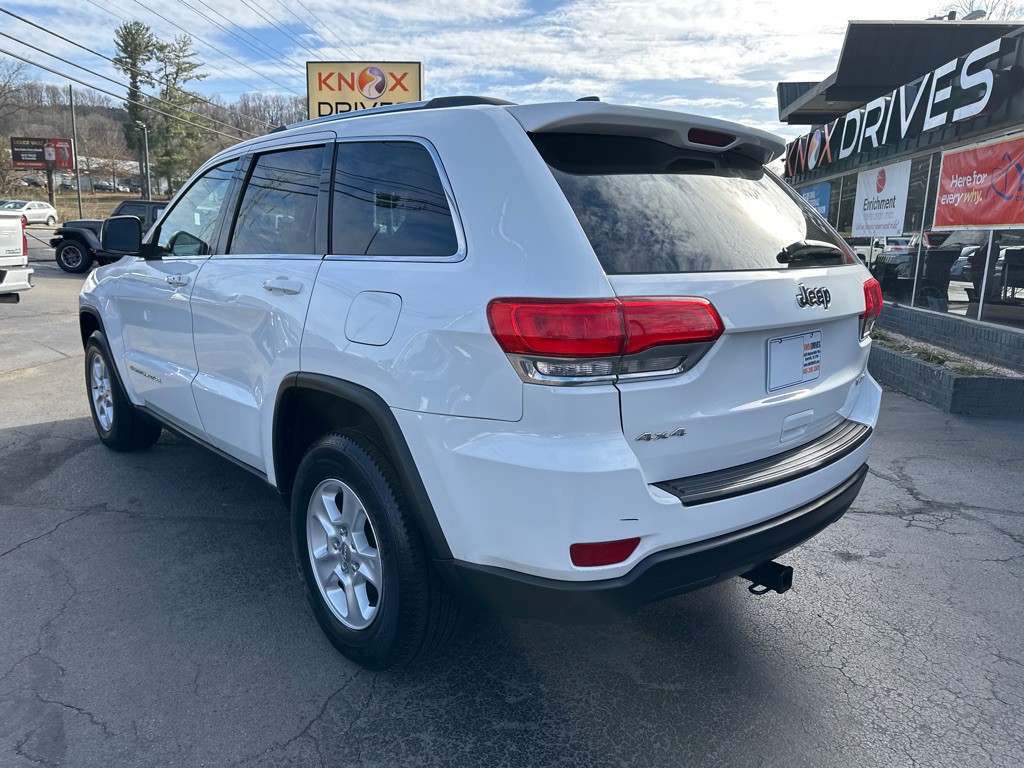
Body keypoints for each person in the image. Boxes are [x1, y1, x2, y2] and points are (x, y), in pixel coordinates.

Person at [970, 232, 1001, 304]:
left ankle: (980, 301)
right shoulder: (982, 247)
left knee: (982, 288)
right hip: (977, 270)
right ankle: (978, 299)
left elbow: (990, 259)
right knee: (977, 287)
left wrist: (976, 261)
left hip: (984, 270)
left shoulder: (993, 247)